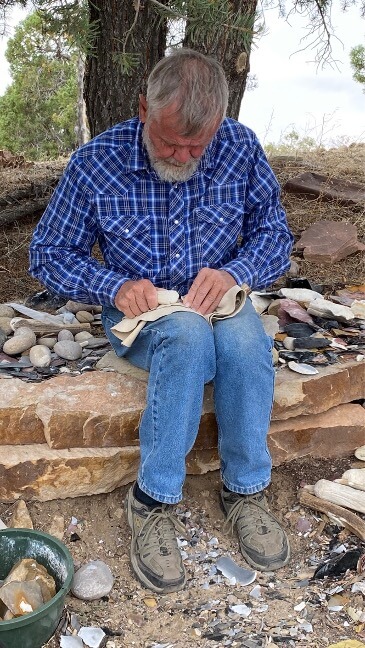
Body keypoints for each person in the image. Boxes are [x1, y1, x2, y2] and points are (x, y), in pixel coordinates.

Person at [29, 48, 294, 594]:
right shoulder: (95, 163)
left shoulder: (239, 149)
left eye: (197, 146)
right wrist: (114, 285)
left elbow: (275, 237)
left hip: (221, 296)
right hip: (141, 311)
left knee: (245, 345)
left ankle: (244, 490)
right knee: (188, 338)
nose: (181, 155)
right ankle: (152, 502)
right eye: (170, 141)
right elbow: (48, 254)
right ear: (143, 109)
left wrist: (235, 271)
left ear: (219, 124)